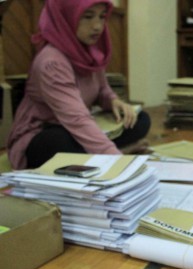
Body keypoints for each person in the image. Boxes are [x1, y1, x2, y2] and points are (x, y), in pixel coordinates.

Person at [7, 0, 151, 170]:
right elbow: (76, 119)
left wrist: (114, 101)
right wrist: (119, 163)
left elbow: (102, 90)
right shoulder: (51, 63)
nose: (97, 26)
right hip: (44, 134)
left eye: (102, 17)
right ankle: (114, 153)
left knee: (139, 119)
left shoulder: (89, 51)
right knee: (58, 141)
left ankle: (96, 155)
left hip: (79, 125)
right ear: (65, 18)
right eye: (88, 17)